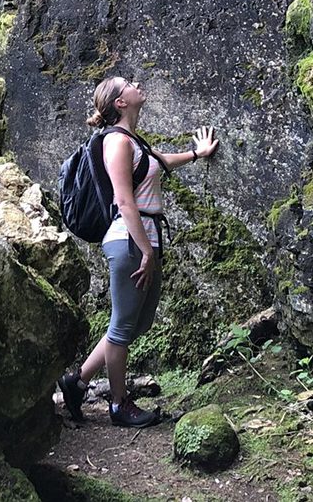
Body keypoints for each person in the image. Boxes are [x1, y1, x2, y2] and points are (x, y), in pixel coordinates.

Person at [58, 75, 219, 427]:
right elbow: (123, 200)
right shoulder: (115, 142)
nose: (135, 84)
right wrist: (145, 251)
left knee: (136, 322)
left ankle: (77, 380)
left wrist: (196, 154)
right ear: (120, 102)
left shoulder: (135, 142)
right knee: (122, 325)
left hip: (145, 240)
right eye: (128, 83)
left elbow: (160, 161)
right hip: (128, 240)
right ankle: (119, 404)